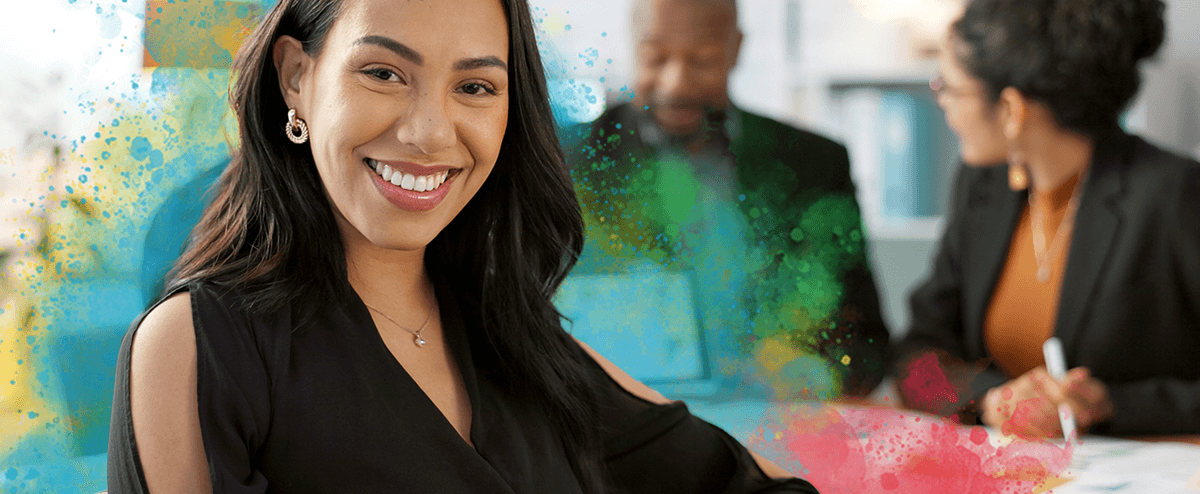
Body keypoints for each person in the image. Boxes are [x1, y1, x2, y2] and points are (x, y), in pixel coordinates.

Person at [105, 0, 821, 492]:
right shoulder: (198, 348)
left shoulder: (515, 337)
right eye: (383, 72)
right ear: (297, 77)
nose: (431, 133)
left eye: (476, 86)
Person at [892, 0, 1200, 439]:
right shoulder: (982, 187)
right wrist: (992, 398)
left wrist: (1111, 404)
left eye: (951, 89)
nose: (942, 103)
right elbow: (915, 358)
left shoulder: (1174, 193)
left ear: (1013, 109)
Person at [564, 0, 889, 400]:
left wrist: (815, 377)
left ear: (737, 49)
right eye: (655, 57)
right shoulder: (566, 162)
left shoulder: (814, 165)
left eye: (702, 59)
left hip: (773, 425)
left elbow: (866, 343)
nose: (675, 83)